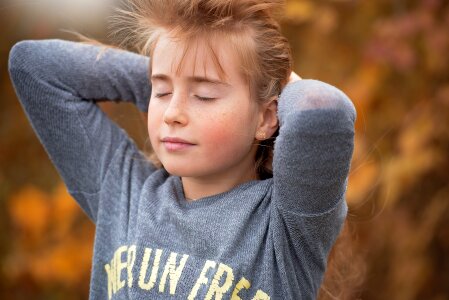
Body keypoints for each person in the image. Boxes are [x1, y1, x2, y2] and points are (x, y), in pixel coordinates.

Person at [8, 0, 356, 299]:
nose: (172, 113)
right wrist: (172, 66)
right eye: (159, 93)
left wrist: (269, 76)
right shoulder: (125, 192)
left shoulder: (286, 226)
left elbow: (322, 111)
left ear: (267, 117)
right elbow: (32, 65)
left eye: (204, 95)